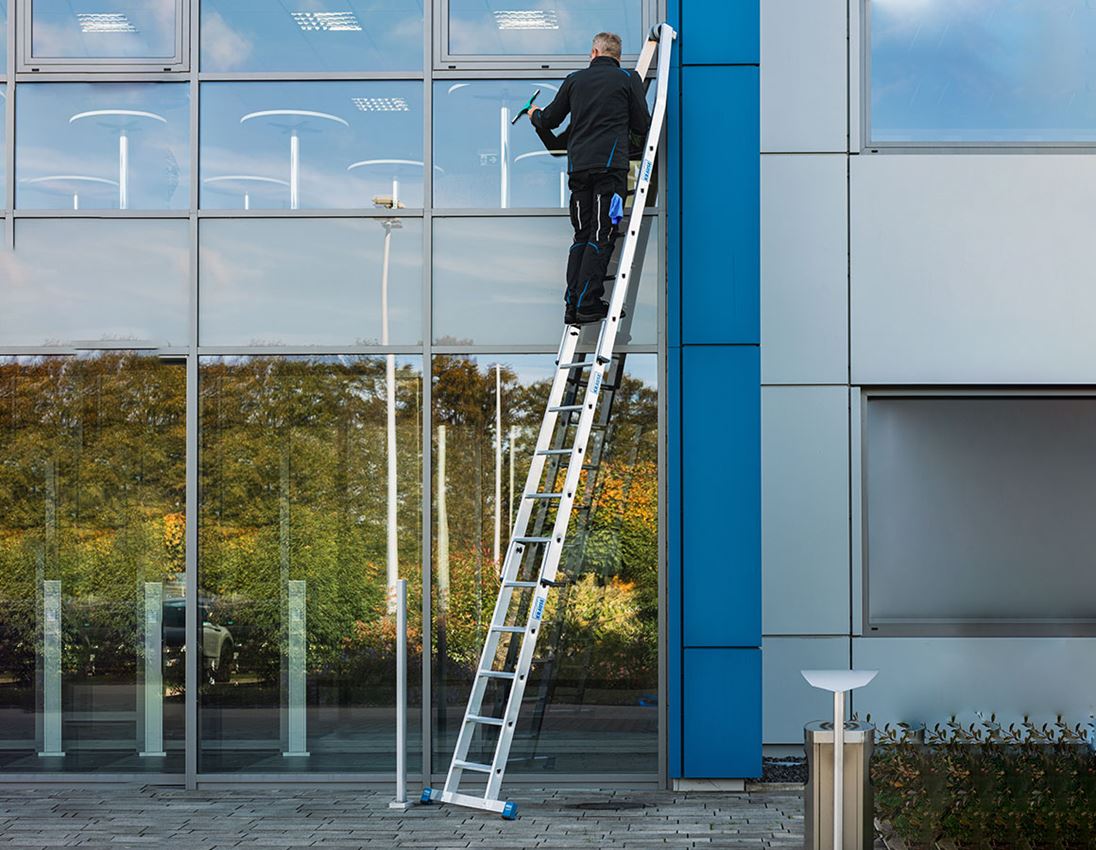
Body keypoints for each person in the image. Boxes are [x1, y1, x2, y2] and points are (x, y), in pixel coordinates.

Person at [527, 32, 651, 325]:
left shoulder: (574, 80)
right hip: (610, 171)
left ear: (594, 52)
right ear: (616, 55)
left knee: (581, 236)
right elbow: (642, 124)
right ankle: (588, 302)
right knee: (603, 233)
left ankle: (573, 304)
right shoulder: (627, 79)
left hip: (579, 172)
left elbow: (549, 121)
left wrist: (534, 114)